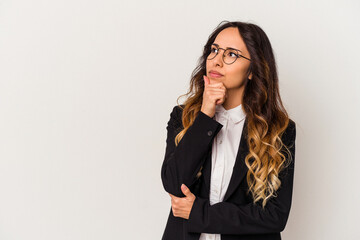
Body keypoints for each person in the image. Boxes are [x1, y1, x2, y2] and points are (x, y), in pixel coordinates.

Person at [160, 20, 297, 240]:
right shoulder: (183, 116)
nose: (217, 61)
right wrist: (205, 115)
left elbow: (275, 216)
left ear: (253, 70)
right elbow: (174, 184)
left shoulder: (279, 129)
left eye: (231, 54)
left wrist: (199, 213)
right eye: (214, 51)